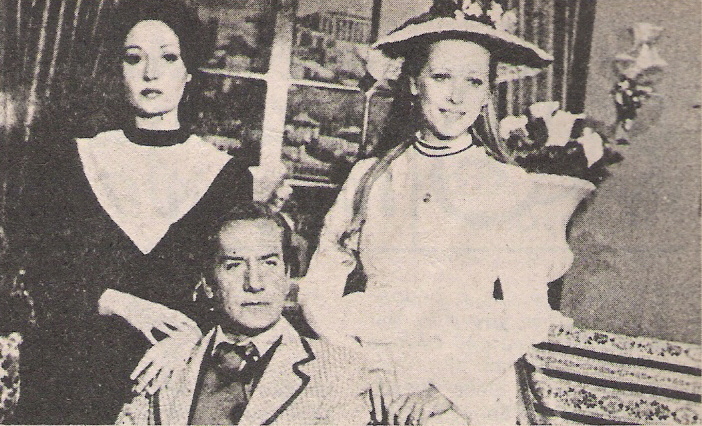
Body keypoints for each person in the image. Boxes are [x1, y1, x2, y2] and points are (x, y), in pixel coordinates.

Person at [299, 0, 573, 424]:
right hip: (368, 371)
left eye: (474, 81)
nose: (456, 96)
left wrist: (447, 389)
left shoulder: (507, 184)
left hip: (462, 384)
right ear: (413, 82)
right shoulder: (370, 177)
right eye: (441, 76)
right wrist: (359, 366)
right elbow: (319, 288)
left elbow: (527, 314)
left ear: (487, 95)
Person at [10, 0, 252, 423]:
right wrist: (122, 304)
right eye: (134, 58)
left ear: (189, 72)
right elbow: (40, 274)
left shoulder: (226, 176)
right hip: (65, 374)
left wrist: (192, 336)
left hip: (171, 377)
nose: (150, 73)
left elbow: (231, 286)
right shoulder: (70, 158)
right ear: (118, 69)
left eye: (168, 57)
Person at [116, 202, 372, 425]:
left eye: (269, 263)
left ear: (287, 276)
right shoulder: (167, 362)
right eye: (234, 265)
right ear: (208, 283)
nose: (254, 283)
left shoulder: (337, 370)